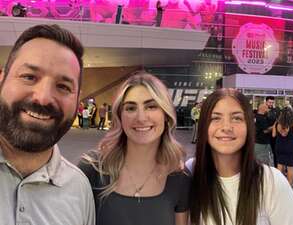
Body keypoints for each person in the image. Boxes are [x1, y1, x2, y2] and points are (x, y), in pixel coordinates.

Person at [0, 24, 95, 225]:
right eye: (29, 77)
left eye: (63, 86)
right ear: (2, 80)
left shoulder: (79, 188)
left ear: (77, 100)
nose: (43, 98)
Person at [79, 72, 190, 225]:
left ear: (165, 114)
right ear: (120, 116)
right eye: (130, 108)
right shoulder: (93, 168)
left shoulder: (179, 176)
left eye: (151, 106)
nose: (141, 117)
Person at [186, 89, 293, 225]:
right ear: (204, 126)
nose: (226, 127)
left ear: (248, 126)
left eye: (236, 118)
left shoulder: (271, 181)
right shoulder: (189, 173)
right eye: (215, 118)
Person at [272, 107, 293, 187]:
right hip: (290, 147)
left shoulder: (277, 124)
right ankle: (288, 186)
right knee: (290, 167)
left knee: (280, 165)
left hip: (279, 146)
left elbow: (273, 135)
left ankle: (279, 185)